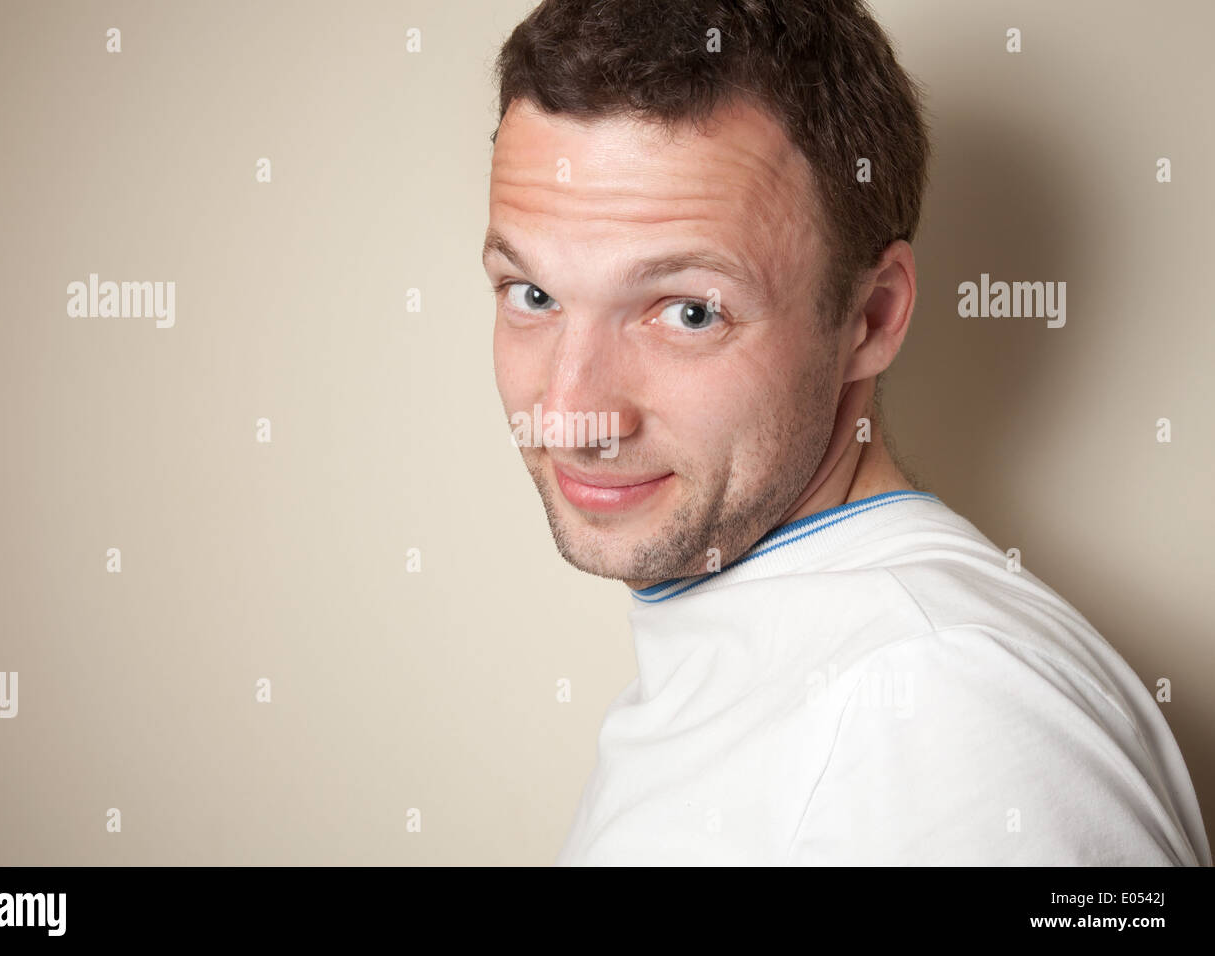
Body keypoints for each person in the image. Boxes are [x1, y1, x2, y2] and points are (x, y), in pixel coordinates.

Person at [481, 0, 1210, 865]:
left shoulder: (945, 706)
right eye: (532, 294)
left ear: (871, 316)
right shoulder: (780, 650)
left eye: (687, 311)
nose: (567, 413)